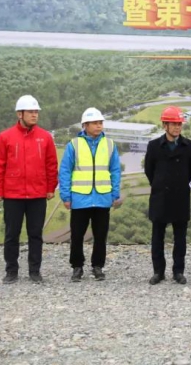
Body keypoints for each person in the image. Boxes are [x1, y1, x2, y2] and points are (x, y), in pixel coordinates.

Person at [0, 95, 58, 284]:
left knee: (35, 235)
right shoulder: (5, 137)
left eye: (36, 112)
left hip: (37, 194)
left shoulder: (45, 137)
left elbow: (51, 164)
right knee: (12, 234)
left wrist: (50, 187)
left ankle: (35, 271)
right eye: (30, 112)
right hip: (13, 194)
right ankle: (11, 271)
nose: (34, 115)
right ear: (19, 114)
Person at [58, 107, 122, 282]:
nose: (98, 126)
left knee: (100, 236)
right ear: (85, 125)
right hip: (80, 199)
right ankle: (77, 267)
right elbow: (65, 171)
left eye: (100, 122)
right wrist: (66, 196)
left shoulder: (109, 145)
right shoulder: (74, 145)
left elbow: (115, 170)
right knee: (77, 236)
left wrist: (114, 193)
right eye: (94, 123)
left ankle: (97, 266)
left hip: (102, 198)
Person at [144, 106, 191, 285]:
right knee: (157, 237)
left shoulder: (188, 146)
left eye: (179, 124)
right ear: (164, 125)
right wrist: (160, 184)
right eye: (173, 124)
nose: (177, 127)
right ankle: (158, 271)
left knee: (180, 237)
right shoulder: (154, 146)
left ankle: (178, 271)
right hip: (160, 197)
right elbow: (149, 170)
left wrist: (178, 183)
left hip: (180, 196)